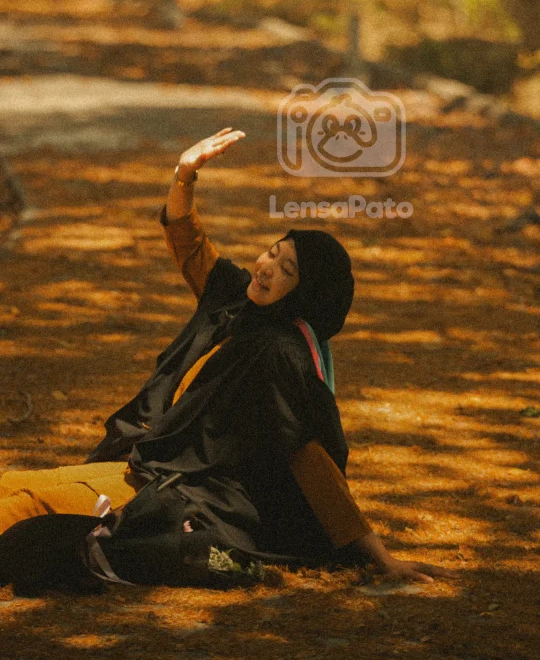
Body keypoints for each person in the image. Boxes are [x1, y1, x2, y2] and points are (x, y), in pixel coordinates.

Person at [0, 128, 456, 590]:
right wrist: (184, 176)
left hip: (187, 492)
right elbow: (190, 244)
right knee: (8, 484)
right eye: (272, 252)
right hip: (147, 463)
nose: (266, 267)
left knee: (23, 507)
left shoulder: (281, 353)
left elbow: (310, 457)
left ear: (306, 293)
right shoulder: (237, 301)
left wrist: (379, 557)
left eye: (286, 270)